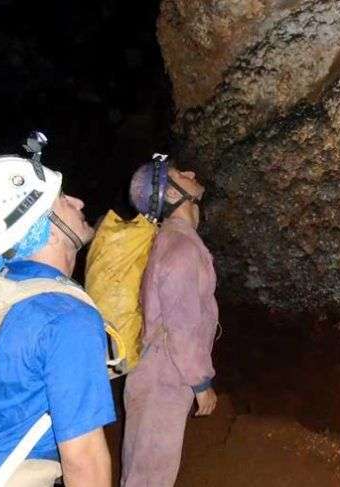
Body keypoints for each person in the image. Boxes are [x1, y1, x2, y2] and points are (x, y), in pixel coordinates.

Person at [0, 140, 116, 487]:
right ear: (46, 226)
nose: (78, 202)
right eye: (62, 199)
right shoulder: (65, 317)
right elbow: (85, 460)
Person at [121, 154, 219, 487]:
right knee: (150, 477)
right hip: (165, 375)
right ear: (174, 194)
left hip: (153, 370)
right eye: (180, 173)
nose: (191, 172)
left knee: (142, 472)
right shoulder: (181, 248)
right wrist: (201, 383)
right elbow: (182, 326)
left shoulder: (169, 239)